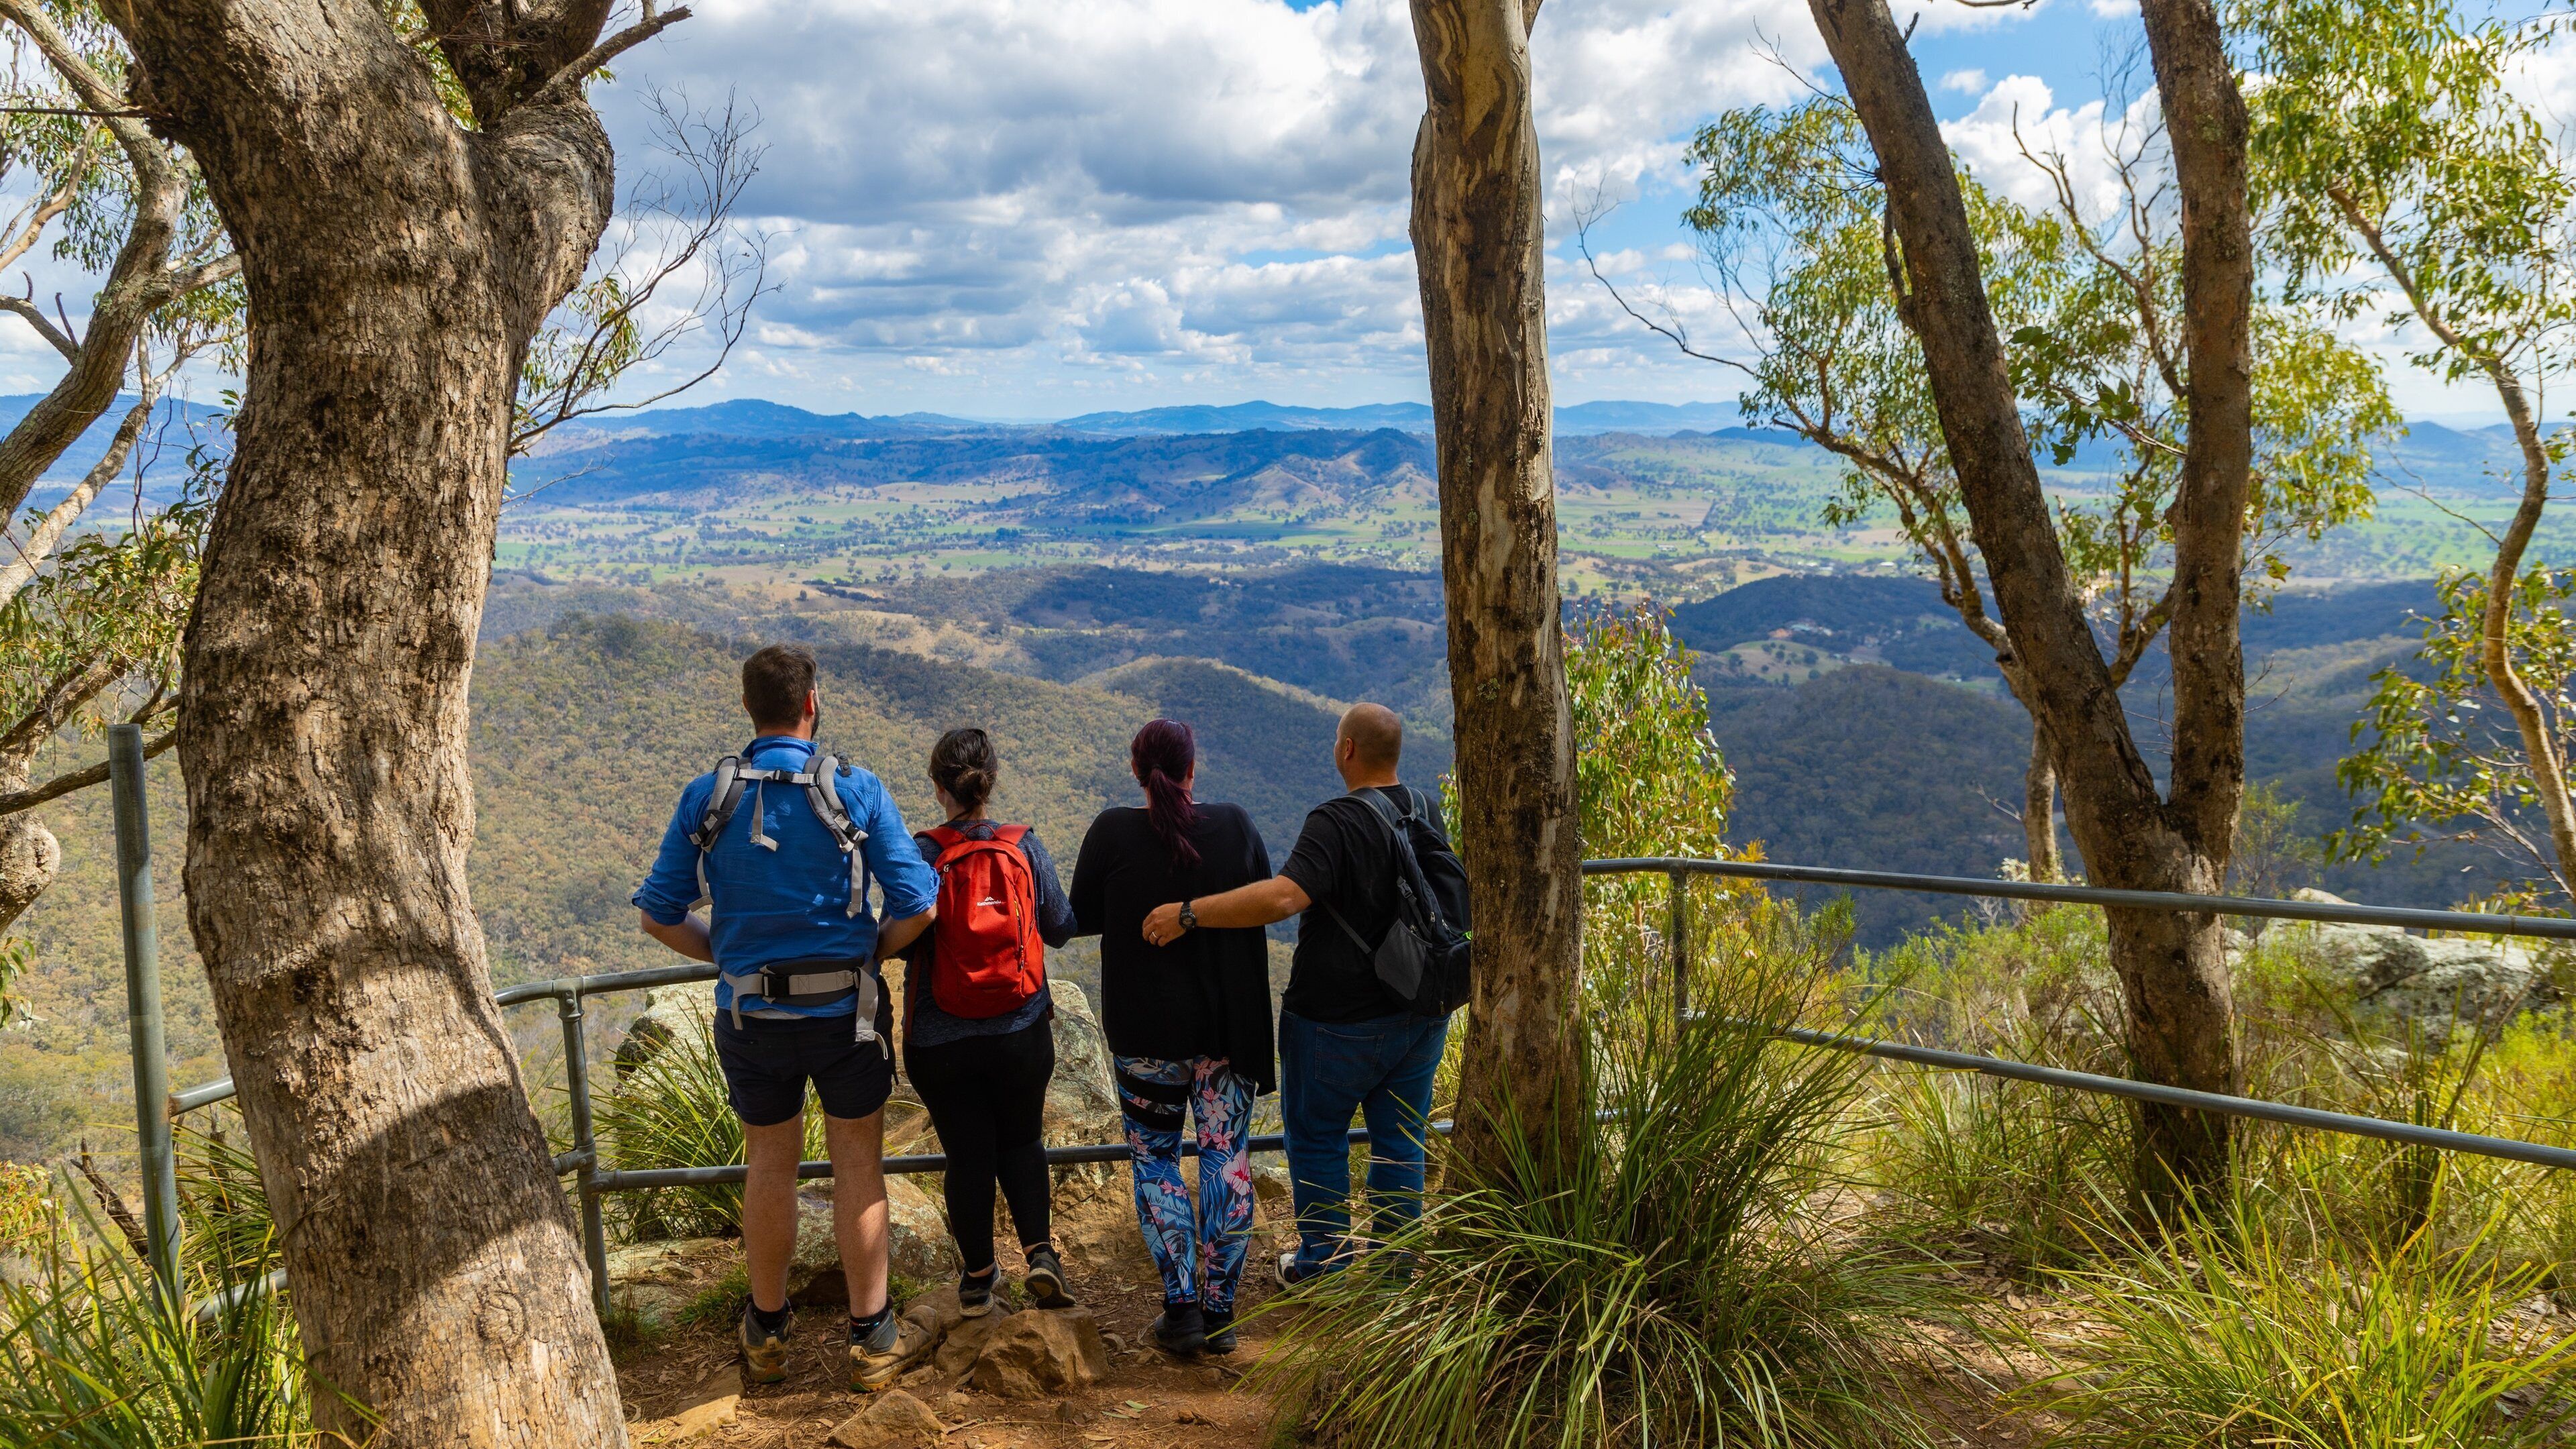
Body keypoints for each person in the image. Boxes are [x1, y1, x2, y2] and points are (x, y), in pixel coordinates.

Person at [632, 643, 941, 1394]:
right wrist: (871, 952)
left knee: (768, 1164)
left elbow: (659, 914)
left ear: (749, 708)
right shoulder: (856, 791)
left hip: (751, 1017)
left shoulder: (709, 796)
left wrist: (732, 960)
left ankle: (766, 1330)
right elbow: (919, 904)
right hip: (846, 1017)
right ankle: (871, 1338)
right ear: (813, 704)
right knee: (857, 1167)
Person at [1142, 702, 1451, 1285]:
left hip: (1335, 1021)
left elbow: (1284, 898)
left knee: (1317, 1139)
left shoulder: (1334, 820)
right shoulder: (1426, 809)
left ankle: (1325, 1269)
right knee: (1400, 1143)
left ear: (1348, 750)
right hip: (1418, 1013)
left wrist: (1189, 914)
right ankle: (1394, 1276)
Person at [1069, 719, 1275, 1358]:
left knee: (1156, 1162)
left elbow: (1078, 916)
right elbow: (1268, 897)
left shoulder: (1111, 831)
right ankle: (1221, 1316)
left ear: (1137, 771)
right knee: (1224, 1157)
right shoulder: (1237, 826)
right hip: (1225, 1033)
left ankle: (1180, 1309)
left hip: (1145, 1036)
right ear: (1193, 768)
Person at [896, 727, 1079, 1317]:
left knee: (967, 1155)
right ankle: (1042, 1256)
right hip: (1021, 1030)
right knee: (1022, 1140)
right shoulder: (1022, 845)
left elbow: (900, 940)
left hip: (940, 1038)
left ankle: (977, 1281)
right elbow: (1059, 925)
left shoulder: (923, 853)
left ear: (936, 785)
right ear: (989, 781)